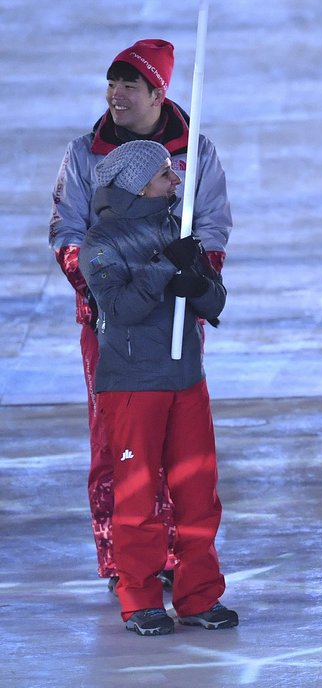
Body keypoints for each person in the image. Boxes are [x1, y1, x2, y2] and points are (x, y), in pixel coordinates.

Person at [49, 38, 232, 590]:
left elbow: (213, 226)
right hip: (108, 323)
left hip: (178, 319)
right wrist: (109, 291)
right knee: (116, 442)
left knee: (183, 449)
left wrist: (192, 277)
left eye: (130, 85)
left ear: (158, 92)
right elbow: (66, 232)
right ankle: (122, 561)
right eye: (112, 84)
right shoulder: (84, 153)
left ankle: (180, 559)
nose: (116, 95)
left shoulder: (194, 152)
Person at [82, 141, 237, 636]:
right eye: (166, 173)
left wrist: (198, 284)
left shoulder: (178, 228)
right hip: (132, 386)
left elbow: (215, 301)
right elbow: (119, 308)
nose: (176, 181)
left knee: (198, 494)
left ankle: (198, 595)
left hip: (185, 380)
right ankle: (141, 599)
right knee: (137, 495)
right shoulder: (101, 242)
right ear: (136, 183)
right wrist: (165, 269)